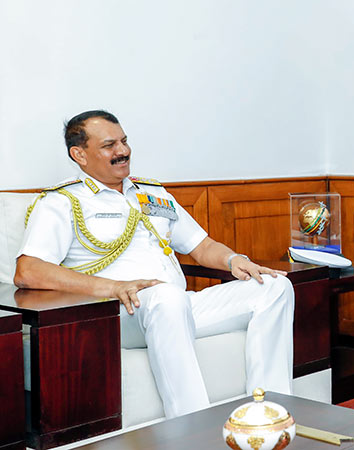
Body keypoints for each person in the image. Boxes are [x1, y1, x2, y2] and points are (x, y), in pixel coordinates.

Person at [14, 110, 295, 419]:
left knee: (274, 287)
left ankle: (269, 414)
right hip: (117, 314)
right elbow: (28, 270)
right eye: (109, 145)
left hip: (175, 306)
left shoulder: (152, 193)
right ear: (79, 154)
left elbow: (202, 246)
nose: (123, 151)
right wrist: (113, 287)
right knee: (166, 297)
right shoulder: (62, 201)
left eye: (124, 141)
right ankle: (191, 427)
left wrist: (234, 259)